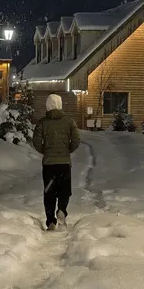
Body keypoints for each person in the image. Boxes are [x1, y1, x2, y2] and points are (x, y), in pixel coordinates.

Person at [32, 94, 81, 230]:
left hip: (48, 165)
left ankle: (50, 220)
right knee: (64, 190)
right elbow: (76, 140)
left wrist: (46, 151)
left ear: (48, 105)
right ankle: (62, 210)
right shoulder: (69, 122)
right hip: (64, 163)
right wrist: (67, 150)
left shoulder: (42, 123)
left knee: (49, 192)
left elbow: (36, 141)